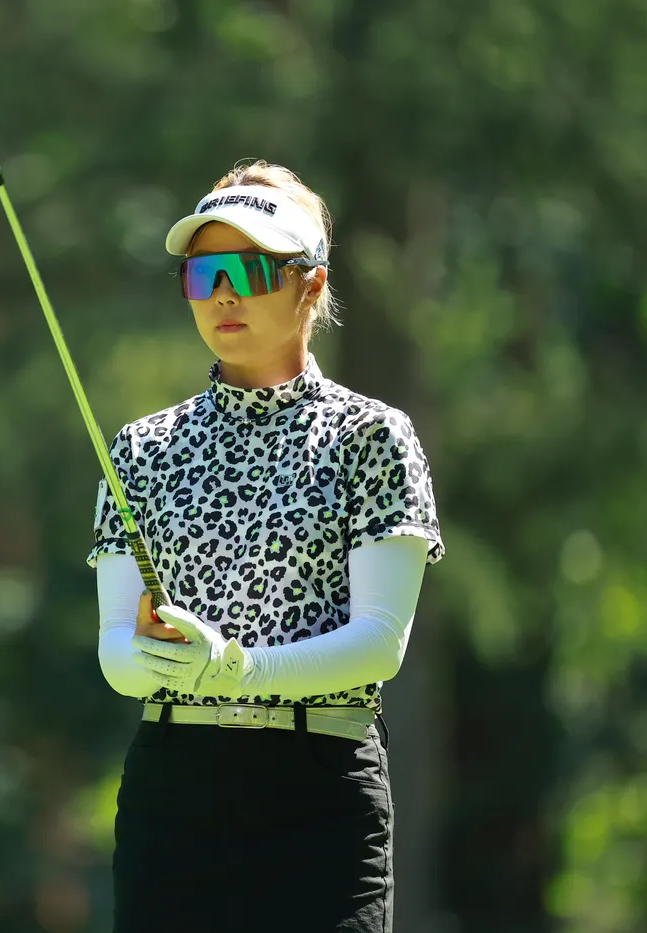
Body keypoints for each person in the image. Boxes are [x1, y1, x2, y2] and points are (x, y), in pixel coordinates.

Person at [85, 161, 445, 933]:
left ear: (311, 284)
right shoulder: (140, 449)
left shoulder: (372, 436)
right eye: (203, 273)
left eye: (249, 270)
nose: (223, 294)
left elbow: (380, 642)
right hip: (174, 796)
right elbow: (116, 651)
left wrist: (239, 669)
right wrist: (163, 661)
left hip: (319, 796)